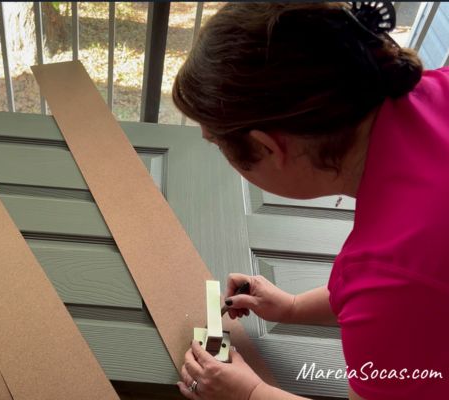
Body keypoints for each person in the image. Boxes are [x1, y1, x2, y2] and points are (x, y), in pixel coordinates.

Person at [172, 2, 449, 400]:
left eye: (219, 146)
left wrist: (248, 393)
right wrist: (296, 307)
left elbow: (402, 285)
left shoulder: (391, 269)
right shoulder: (434, 90)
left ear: (266, 146)